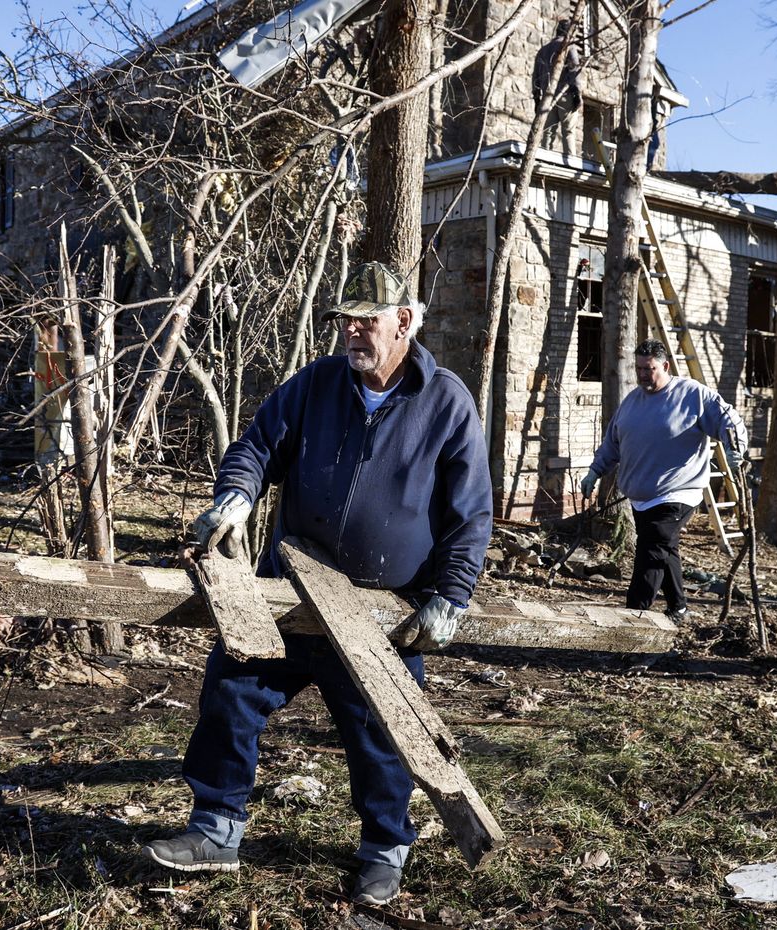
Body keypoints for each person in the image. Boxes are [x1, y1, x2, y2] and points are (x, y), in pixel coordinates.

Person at [141, 262, 493, 906]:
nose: (352, 333)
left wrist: (453, 594)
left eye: (367, 320)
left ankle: (385, 850)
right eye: (345, 322)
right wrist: (237, 497)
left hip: (380, 611)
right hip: (290, 590)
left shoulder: (446, 402)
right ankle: (216, 829)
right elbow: (256, 447)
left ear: (405, 322)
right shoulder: (316, 386)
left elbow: (469, 512)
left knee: (383, 733)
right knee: (233, 691)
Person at [580, 339, 747, 624]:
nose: (643, 374)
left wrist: (736, 447)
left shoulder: (691, 394)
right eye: (639, 368)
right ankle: (679, 608)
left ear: (665, 366)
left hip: (678, 492)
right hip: (641, 497)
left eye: (650, 368)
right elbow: (613, 442)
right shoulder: (632, 401)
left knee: (650, 552)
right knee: (663, 549)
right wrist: (595, 471)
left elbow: (727, 419)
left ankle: (634, 618)